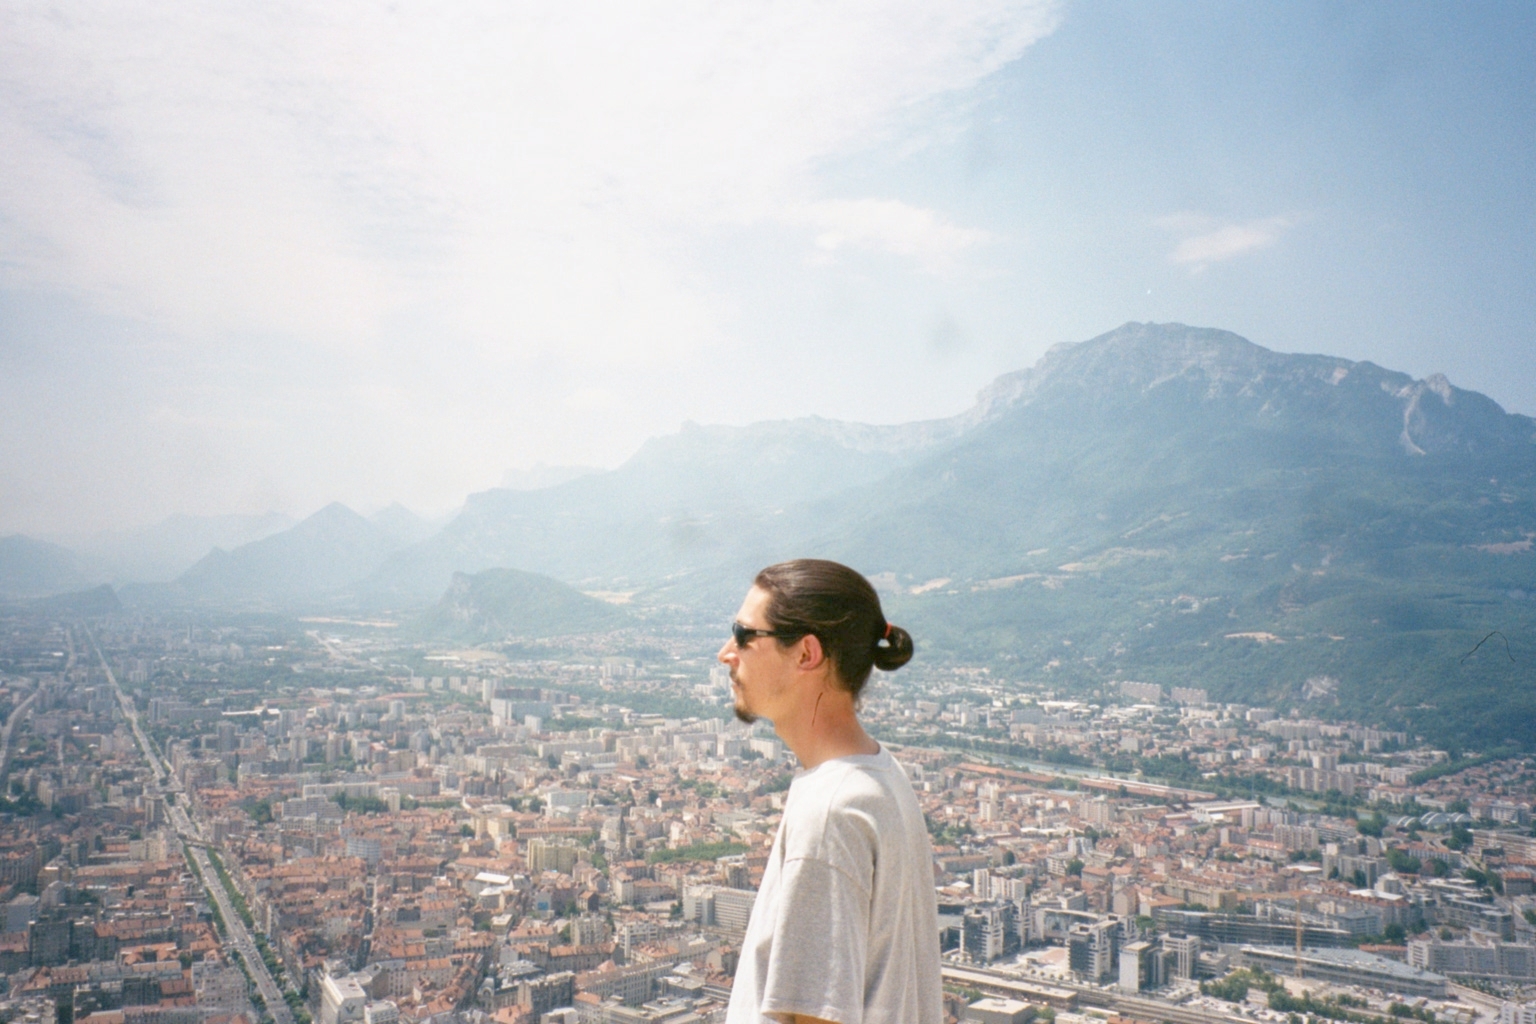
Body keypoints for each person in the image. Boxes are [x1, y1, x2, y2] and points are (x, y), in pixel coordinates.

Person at [718, 559, 941, 1024]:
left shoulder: (830, 813)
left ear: (806, 654)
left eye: (744, 635)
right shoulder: (878, 777)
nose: (727, 652)